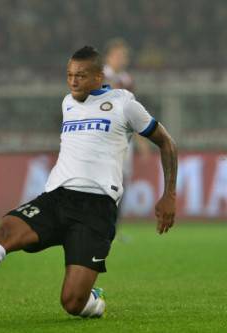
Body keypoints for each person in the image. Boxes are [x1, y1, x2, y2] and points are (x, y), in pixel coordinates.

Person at [0, 46, 178, 318]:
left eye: (80, 76)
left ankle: (93, 301)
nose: (73, 81)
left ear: (98, 77)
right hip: (56, 199)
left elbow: (166, 142)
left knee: (72, 303)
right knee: (5, 231)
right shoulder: (67, 103)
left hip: (96, 210)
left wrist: (169, 195)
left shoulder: (124, 104)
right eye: (69, 74)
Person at [104, 38, 151, 239]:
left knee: (121, 183)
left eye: (125, 56)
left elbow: (133, 112)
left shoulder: (127, 80)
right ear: (109, 56)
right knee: (104, 180)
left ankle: (112, 227)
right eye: (119, 55)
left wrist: (141, 140)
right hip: (103, 137)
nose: (122, 59)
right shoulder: (99, 74)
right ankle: (97, 224)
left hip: (124, 138)